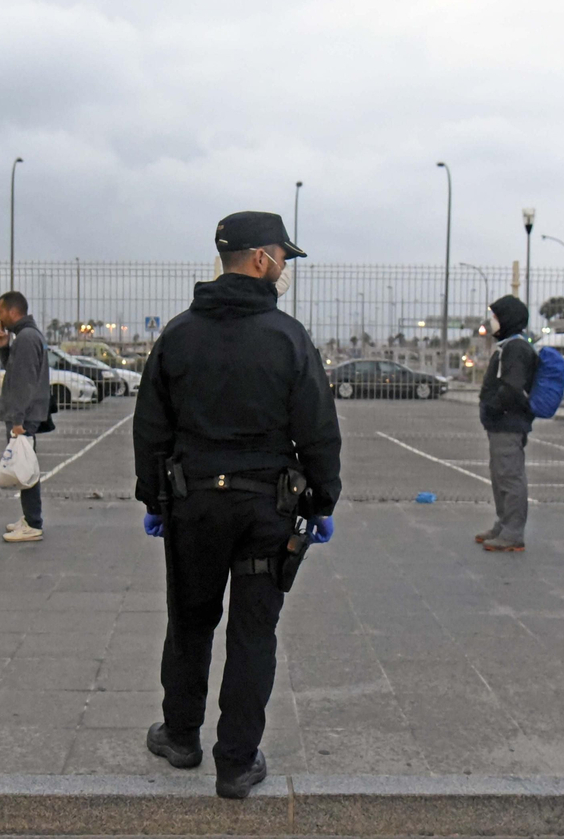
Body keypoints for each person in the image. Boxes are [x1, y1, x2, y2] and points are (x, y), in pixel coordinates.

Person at [133, 211, 341, 799]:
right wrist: (322, 501)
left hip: (193, 505)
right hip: (265, 512)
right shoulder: (288, 338)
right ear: (259, 260)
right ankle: (236, 762)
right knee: (253, 633)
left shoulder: (178, 334)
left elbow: (151, 427)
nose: (285, 270)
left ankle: (179, 737)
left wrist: (154, 498)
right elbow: (319, 431)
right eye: (283, 258)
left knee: (191, 622)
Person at [475, 295, 538, 552]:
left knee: (510, 477)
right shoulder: (509, 346)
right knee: (500, 475)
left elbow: (512, 387)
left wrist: (493, 406)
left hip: (508, 423)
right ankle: (503, 524)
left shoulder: (516, 349)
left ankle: (513, 532)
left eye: (496, 317)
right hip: (501, 424)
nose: (492, 322)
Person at [0, 290, 51, 542]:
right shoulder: (25, 337)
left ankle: (33, 523)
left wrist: (17, 420)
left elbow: (24, 382)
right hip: (25, 415)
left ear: (12, 311)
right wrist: (4, 349)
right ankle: (30, 519)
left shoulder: (27, 338)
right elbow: (15, 371)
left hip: (25, 417)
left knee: (26, 466)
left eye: (0, 311)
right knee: (24, 464)